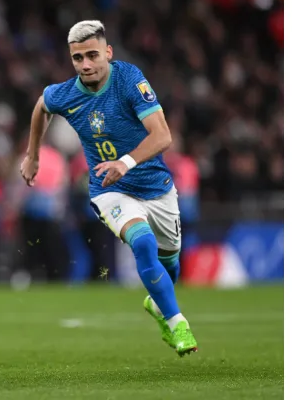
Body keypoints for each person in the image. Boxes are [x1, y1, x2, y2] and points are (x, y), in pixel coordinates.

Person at [20, 20, 198, 356]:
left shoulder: (129, 79)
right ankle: (178, 325)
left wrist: (125, 162)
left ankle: (159, 303)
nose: (85, 64)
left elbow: (162, 136)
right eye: (77, 58)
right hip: (109, 190)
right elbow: (42, 106)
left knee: (170, 264)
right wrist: (33, 156)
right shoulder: (66, 93)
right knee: (142, 243)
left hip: (156, 187)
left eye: (92, 55)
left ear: (108, 53)